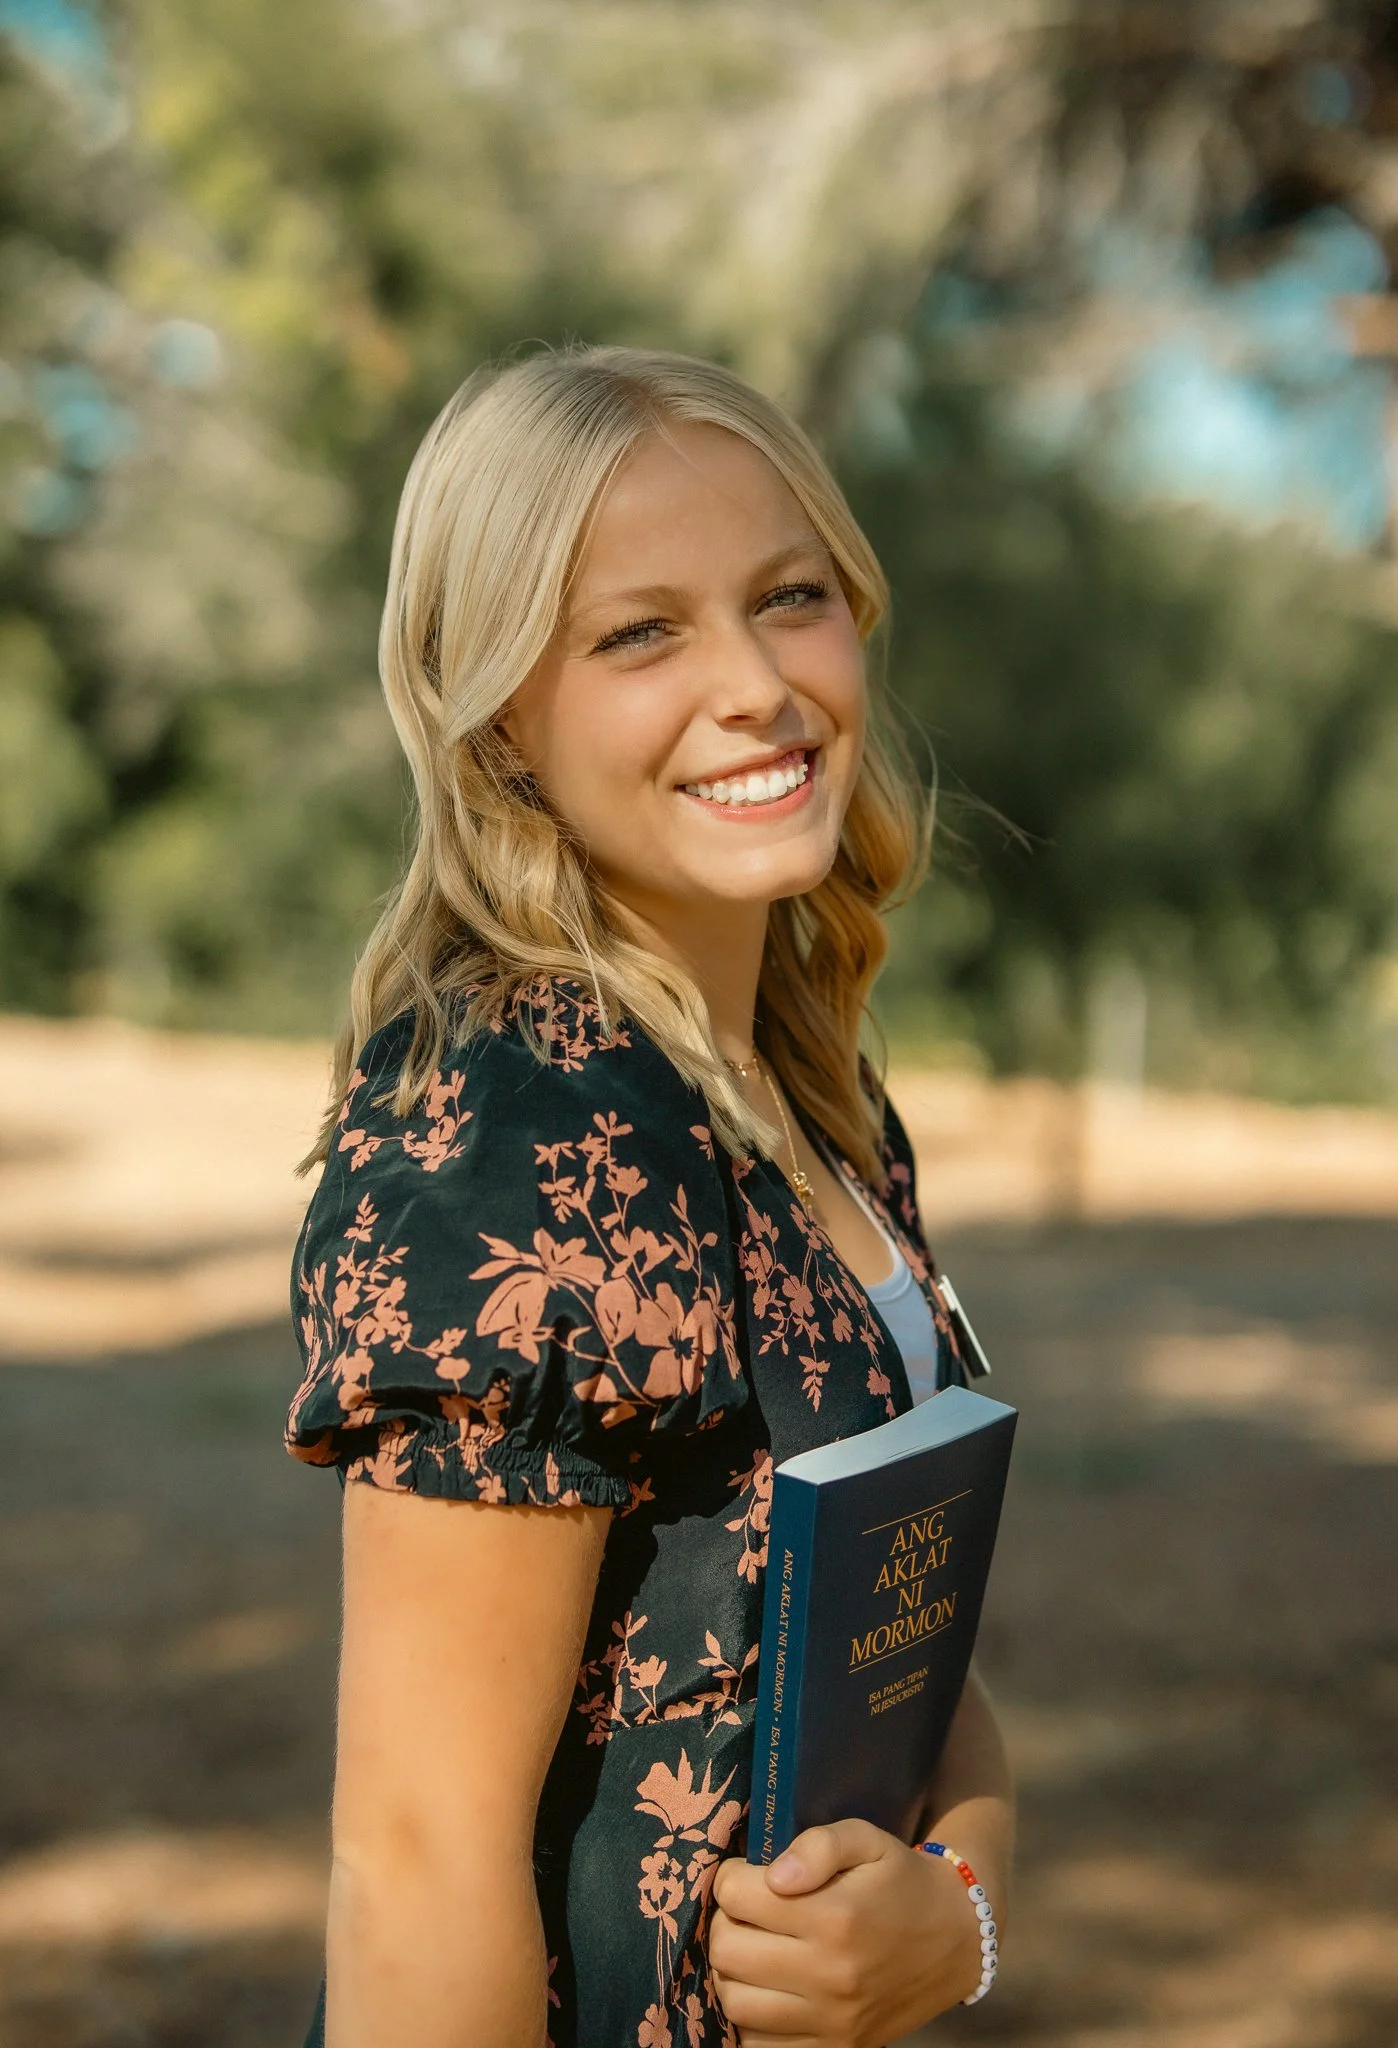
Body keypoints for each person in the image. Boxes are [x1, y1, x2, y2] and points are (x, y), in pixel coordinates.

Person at [285, 344, 1014, 2048]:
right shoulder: (520, 1127)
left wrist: (960, 1916)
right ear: (502, 718)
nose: (754, 682)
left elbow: (909, 1658)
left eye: (789, 597)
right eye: (638, 632)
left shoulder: (805, 1094)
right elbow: (413, 1858)